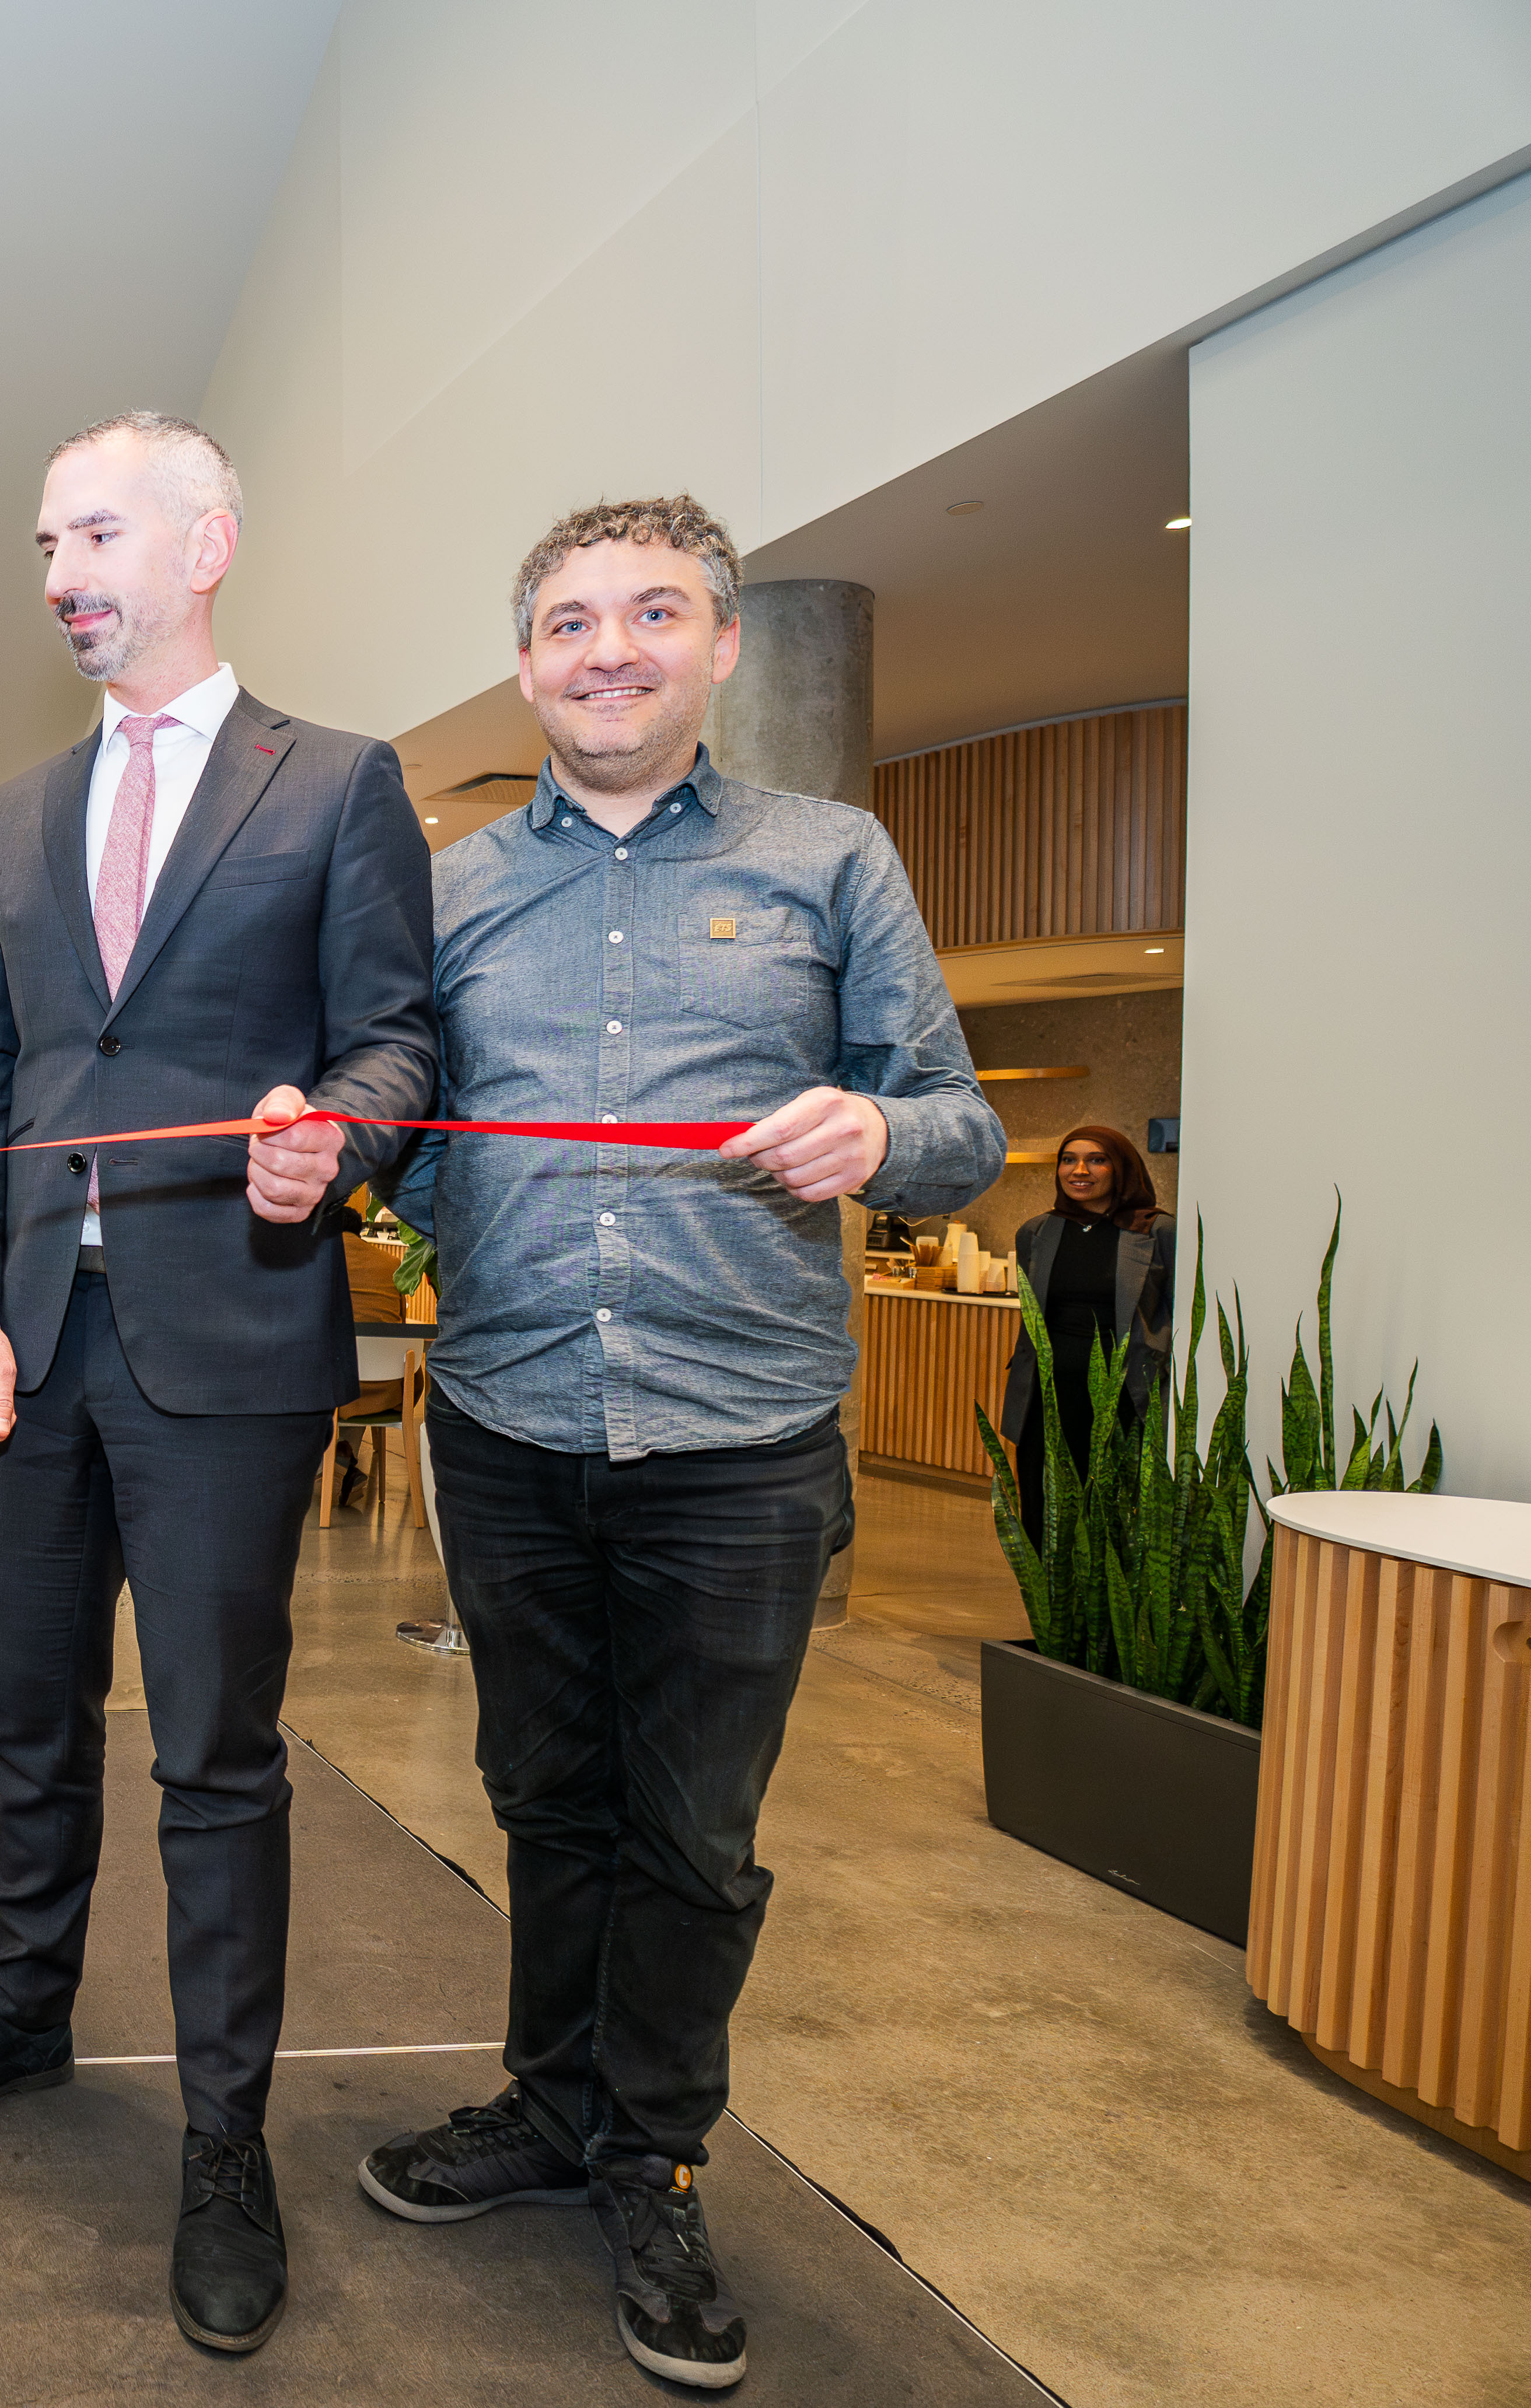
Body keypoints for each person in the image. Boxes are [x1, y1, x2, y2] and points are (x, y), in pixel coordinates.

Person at [358, 498, 999, 2390]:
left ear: (719, 644)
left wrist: (885, 1143)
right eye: (567, 620)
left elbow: (954, 1116)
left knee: (695, 1835)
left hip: (741, 1446)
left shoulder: (831, 858)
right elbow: (401, 1121)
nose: (606, 647)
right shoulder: (454, 888)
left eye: (650, 613)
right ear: (529, 660)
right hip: (506, 1421)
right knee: (547, 1799)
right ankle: (548, 2103)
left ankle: (652, 2149)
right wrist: (325, 1139)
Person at [0, 411, 437, 2354]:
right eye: (42, 543)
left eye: (92, 531)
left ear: (207, 542)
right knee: (28, 1712)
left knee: (214, 1750)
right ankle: (23, 2007)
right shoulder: (19, 811)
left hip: (231, 1336)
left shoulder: (338, 783)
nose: (57, 573)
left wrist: (332, 1139)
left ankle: (220, 2131)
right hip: (35, 1334)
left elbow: (392, 1043)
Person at [996, 1125, 1175, 1525]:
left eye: (1097, 1160)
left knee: (1114, 1518)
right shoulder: (1037, 1231)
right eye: (1069, 1159)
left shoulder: (1157, 1230)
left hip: (1127, 1396)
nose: (1080, 1170)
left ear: (1122, 1169)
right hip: (1047, 1394)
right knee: (1044, 1513)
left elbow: (1177, 1314)